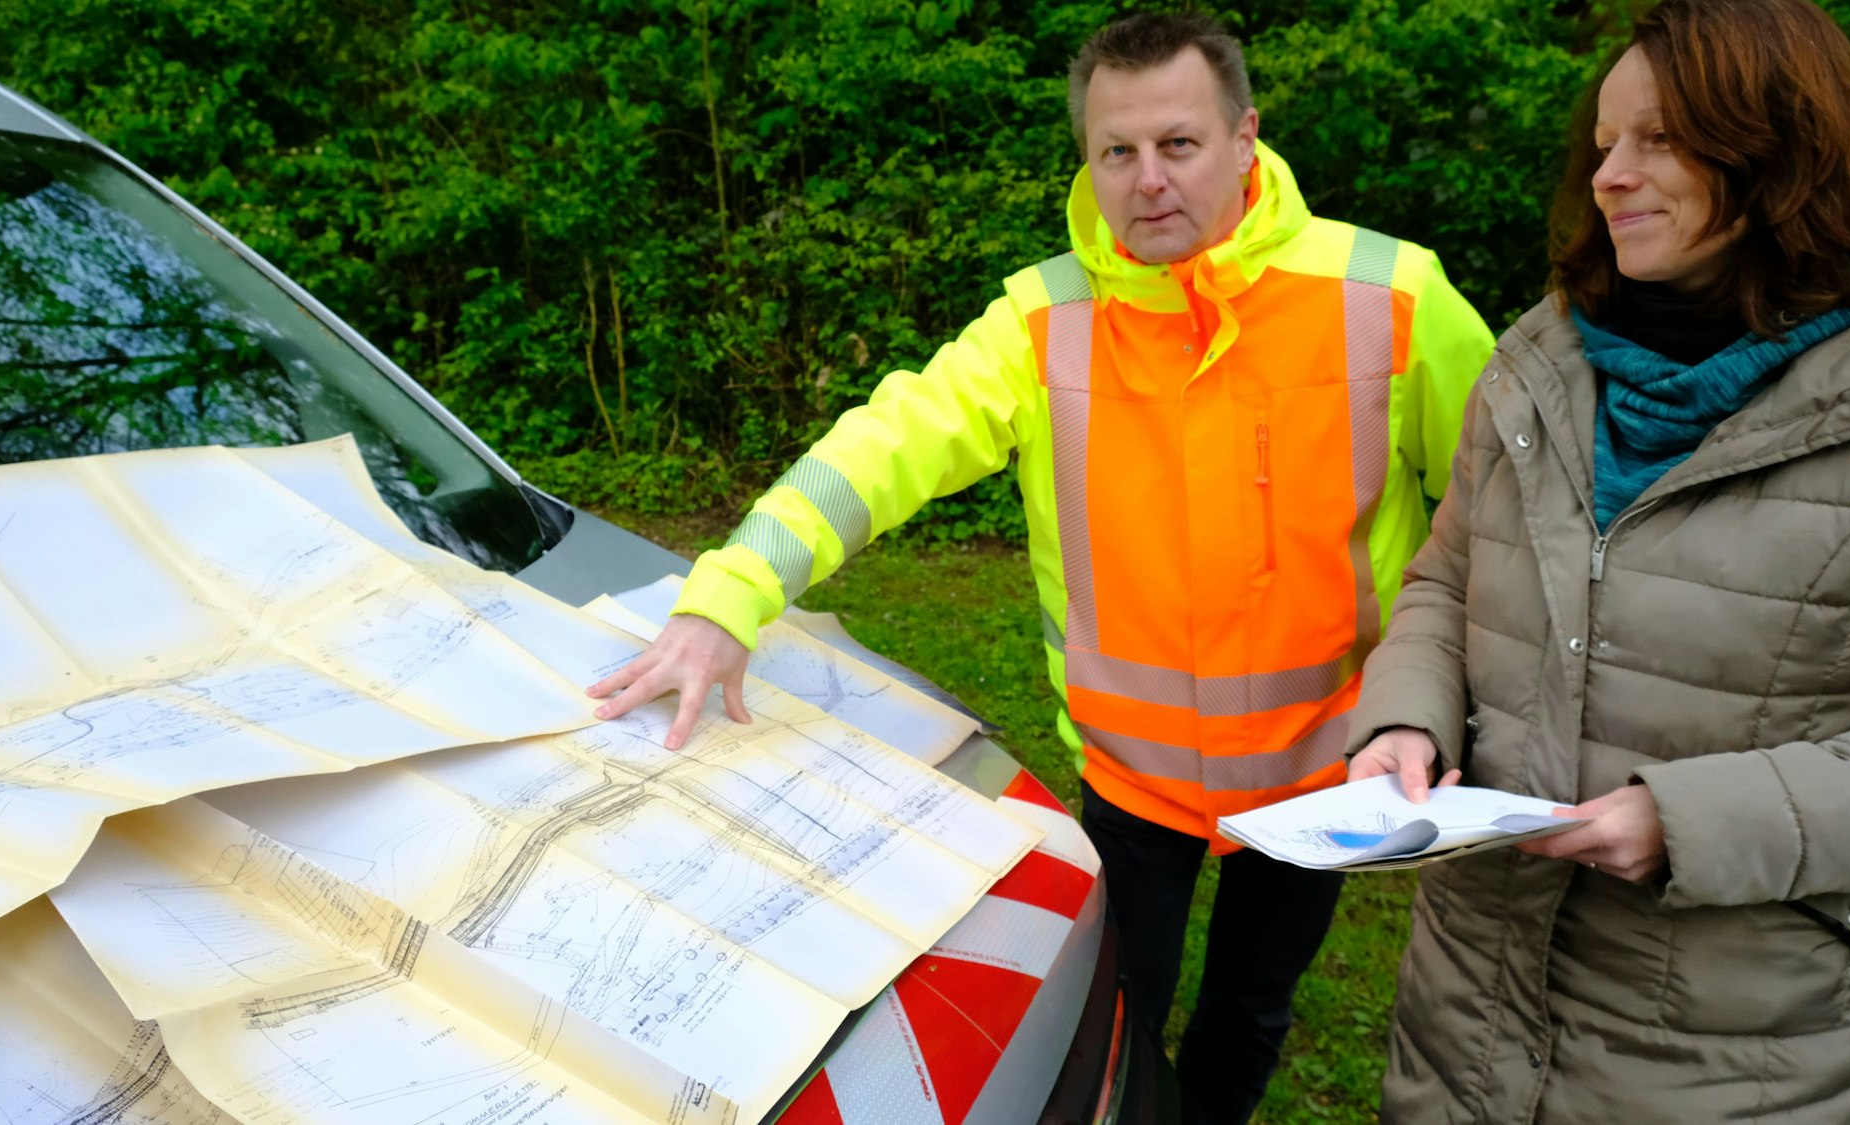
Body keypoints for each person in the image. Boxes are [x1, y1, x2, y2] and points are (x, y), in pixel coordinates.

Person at [591, 13, 1494, 1121]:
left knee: (1249, 1008)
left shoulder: (1393, 297)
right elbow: (877, 452)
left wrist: (1448, 706)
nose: (1146, 180)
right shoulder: (1040, 321)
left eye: (1177, 144)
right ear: (1086, 159)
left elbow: (1501, 519)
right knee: (1116, 1011)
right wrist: (730, 594)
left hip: (1322, 774)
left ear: (1244, 135)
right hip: (1132, 779)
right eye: (1116, 151)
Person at [1347, 0, 1850, 1119]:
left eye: (1655, 139)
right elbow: (1447, 582)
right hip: (1465, 1019)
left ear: (1778, 145)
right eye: (1602, 144)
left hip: (1717, 1057)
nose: (1609, 176)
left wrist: (1686, 823)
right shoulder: (1536, 359)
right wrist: (1403, 718)